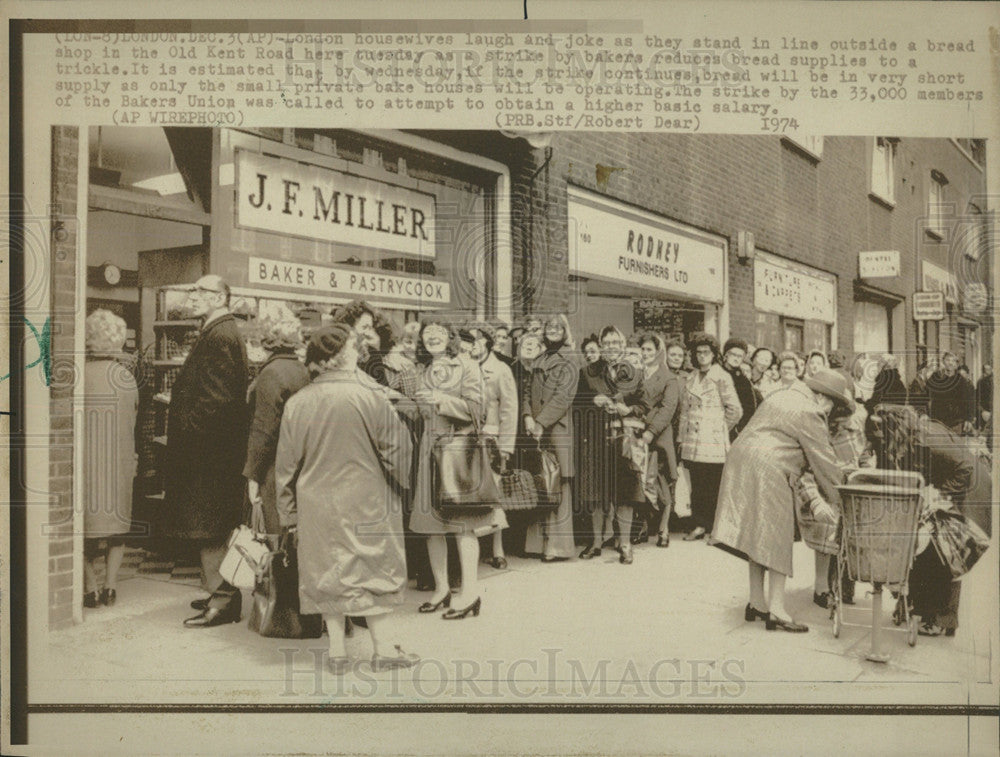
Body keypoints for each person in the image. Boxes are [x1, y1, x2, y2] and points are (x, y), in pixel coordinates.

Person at [276, 323, 418, 673]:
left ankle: (337, 653)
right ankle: (383, 650)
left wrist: (289, 515)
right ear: (343, 356)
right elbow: (398, 450)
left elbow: (285, 467)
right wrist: (401, 486)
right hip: (367, 499)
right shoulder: (370, 397)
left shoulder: (298, 403)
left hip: (317, 505)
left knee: (327, 574)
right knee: (374, 572)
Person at [713, 369, 850, 633]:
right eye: (833, 403)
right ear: (823, 397)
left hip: (742, 462)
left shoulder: (782, 396)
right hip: (771, 469)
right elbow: (824, 462)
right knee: (777, 536)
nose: (831, 409)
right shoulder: (810, 411)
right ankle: (776, 610)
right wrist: (842, 497)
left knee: (757, 535)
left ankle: (756, 602)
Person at [166, 275, 249, 628]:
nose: (194, 295)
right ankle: (219, 592)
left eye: (202, 291)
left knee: (210, 528)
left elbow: (217, 400)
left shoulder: (220, 335)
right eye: (193, 289)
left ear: (222, 297)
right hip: (213, 454)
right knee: (209, 527)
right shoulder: (218, 331)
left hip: (208, 456)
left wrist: (188, 428)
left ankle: (224, 600)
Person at [867, 403, 992, 636]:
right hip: (953, 486)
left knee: (949, 553)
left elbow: (964, 467)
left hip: (971, 491)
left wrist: (941, 493)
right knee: (926, 546)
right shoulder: (911, 438)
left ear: (897, 430)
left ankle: (941, 619)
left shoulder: (927, 437)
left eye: (885, 436)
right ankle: (919, 608)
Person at [409, 319, 500, 620]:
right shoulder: (422, 369)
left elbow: (477, 411)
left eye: (438, 333)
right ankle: (442, 589)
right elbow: (421, 411)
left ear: (449, 337)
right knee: (431, 526)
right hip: (429, 451)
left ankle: (470, 594)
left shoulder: (468, 366)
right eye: (427, 333)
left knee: (463, 525)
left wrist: (441, 400)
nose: (432, 337)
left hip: (458, 452)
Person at [578, 326, 649, 564]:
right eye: (606, 343)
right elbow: (577, 401)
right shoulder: (588, 372)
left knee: (625, 493)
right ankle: (596, 542)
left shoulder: (634, 372)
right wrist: (592, 399)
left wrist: (628, 409)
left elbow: (644, 405)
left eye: (615, 343)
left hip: (624, 439)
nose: (611, 347)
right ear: (600, 345)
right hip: (596, 437)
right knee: (596, 493)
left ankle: (626, 544)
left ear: (622, 345)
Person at [82, 310, 139, 609]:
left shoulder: (78, 376)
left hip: (87, 463)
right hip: (120, 462)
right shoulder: (126, 378)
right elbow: (134, 421)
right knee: (117, 527)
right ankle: (111, 587)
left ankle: (89, 588)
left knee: (85, 528)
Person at [243, 317, 310, 536]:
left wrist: (253, 475)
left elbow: (264, 429)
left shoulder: (271, 373)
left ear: (266, 340)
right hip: (298, 464)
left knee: (273, 533)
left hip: (273, 469)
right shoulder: (301, 369)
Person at [523, 315, 580, 562]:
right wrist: (527, 416)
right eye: (549, 327)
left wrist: (540, 422)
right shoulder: (540, 357)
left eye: (558, 327)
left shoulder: (570, 358)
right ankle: (536, 544)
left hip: (557, 430)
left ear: (565, 331)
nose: (553, 330)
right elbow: (526, 390)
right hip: (536, 428)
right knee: (540, 481)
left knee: (557, 483)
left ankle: (557, 547)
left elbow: (563, 397)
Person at [678, 333, 742, 542]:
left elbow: (735, 409)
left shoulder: (722, 376)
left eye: (707, 352)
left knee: (714, 484)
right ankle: (699, 525)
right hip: (693, 440)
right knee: (696, 484)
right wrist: (681, 437)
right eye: (699, 352)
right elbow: (685, 412)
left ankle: (717, 529)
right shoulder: (691, 376)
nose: (702, 356)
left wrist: (720, 427)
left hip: (712, 440)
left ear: (714, 354)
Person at [469, 322, 516, 569]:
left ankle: (498, 549)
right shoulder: (463, 366)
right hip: (467, 439)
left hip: (492, 440)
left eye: (475, 340)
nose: (471, 345)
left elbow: (509, 409)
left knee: (493, 493)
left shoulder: (500, 370)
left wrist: (506, 447)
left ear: (486, 341)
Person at [638, 333, 682, 548]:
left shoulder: (668, 378)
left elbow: (668, 409)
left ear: (658, 352)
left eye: (649, 350)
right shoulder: (637, 374)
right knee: (640, 479)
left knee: (661, 480)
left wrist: (651, 431)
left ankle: (664, 529)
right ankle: (644, 527)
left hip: (659, 436)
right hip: (637, 432)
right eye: (643, 350)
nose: (645, 354)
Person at [927, 351, 977, 435]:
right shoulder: (935, 377)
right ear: (943, 361)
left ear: (956, 364)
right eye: (947, 360)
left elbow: (969, 401)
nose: (950, 363)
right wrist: (923, 414)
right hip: (938, 422)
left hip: (956, 423)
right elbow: (925, 395)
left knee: (955, 446)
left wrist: (969, 419)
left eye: (953, 360)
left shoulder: (961, 380)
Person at [722, 338, 760, 439]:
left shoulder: (743, 381)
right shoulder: (716, 373)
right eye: (733, 354)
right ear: (726, 354)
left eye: (740, 356)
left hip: (734, 431)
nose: (736, 358)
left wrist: (739, 430)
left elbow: (750, 409)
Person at [975, 364, 992, 436]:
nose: (987, 371)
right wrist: (982, 410)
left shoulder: (994, 380)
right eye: (986, 369)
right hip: (984, 409)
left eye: (989, 369)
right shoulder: (980, 382)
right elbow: (978, 397)